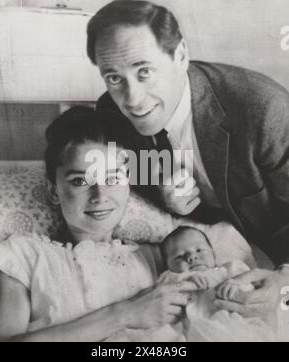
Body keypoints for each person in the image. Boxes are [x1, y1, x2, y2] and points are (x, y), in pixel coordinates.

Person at [86, 0, 289, 326]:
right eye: (114, 78)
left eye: (145, 72)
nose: (133, 100)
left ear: (180, 55)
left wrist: (284, 280)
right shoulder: (111, 115)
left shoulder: (264, 111)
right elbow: (131, 168)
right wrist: (160, 187)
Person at [0, 107, 196, 342]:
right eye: (80, 181)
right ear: (53, 190)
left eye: (112, 178)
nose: (99, 195)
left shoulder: (159, 256)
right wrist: (124, 314)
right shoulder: (21, 257)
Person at [108, 226, 275, 341]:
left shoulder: (229, 269)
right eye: (179, 257)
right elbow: (164, 294)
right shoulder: (172, 278)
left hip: (242, 320)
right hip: (202, 328)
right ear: (168, 266)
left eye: (199, 250)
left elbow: (252, 282)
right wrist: (187, 282)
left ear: (214, 254)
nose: (192, 257)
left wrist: (234, 284)